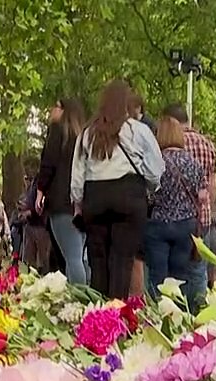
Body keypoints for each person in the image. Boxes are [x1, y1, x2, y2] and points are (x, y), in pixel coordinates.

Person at [71, 79, 162, 300]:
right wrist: (149, 185)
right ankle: (116, 314)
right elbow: (156, 168)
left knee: (98, 260)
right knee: (122, 260)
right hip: (128, 195)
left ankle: (96, 313)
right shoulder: (137, 130)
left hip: (96, 197)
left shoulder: (87, 134)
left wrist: (78, 201)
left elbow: (77, 174)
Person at [145, 115, 206, 307]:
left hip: (158, 224)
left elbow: (150, 195)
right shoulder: (193, 163)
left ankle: (156, 315)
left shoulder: (156, 162)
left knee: (157, 276)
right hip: (186, 225)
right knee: (180, 276)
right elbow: (201, 194)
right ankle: (179, 313)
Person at [162, 103, 216, 301]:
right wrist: (208, 211)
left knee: (172, 273)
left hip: (171, 217)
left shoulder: (168, 145)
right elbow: (212, 185)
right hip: (200, 220)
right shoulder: (207, 144)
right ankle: (198, 310)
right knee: (197, 270)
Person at [37, 97, 87, 284]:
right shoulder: (84, 136)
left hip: (61, 201)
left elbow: (48, 163)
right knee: (80, 257)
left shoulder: (58, 131)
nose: (52, 110)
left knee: (72, 257)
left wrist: (41, 190)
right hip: (82, 201)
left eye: (56, 106)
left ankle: (79, 300)